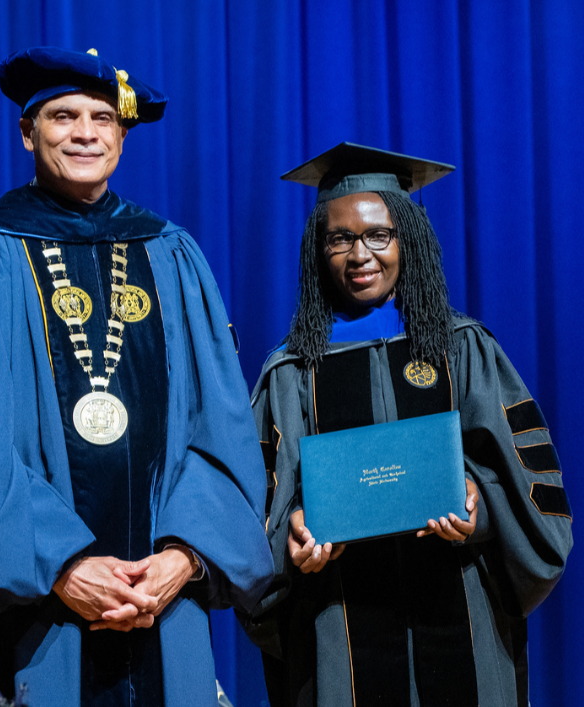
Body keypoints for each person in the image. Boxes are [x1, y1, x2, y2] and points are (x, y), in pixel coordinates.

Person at [0, 46, 273, 707]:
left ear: (122, 134)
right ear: (27, 131)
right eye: (63, 116)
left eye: (102, 117)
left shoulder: (171, 254)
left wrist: (184, 555)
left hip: (160, 600)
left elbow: (221, 424)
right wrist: (58, 562)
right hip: (27, 608)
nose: (85, 132)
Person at [246, 143, 573, 707]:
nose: (360, 255)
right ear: (317, 251)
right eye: (339, 238)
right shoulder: (292, 371)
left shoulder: (462, 347)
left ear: (409, 241)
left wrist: (481, 507)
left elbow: (526, 480)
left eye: (379, 235)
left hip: (461, 608)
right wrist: (293, 537)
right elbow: (260, 506)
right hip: (339, 622)